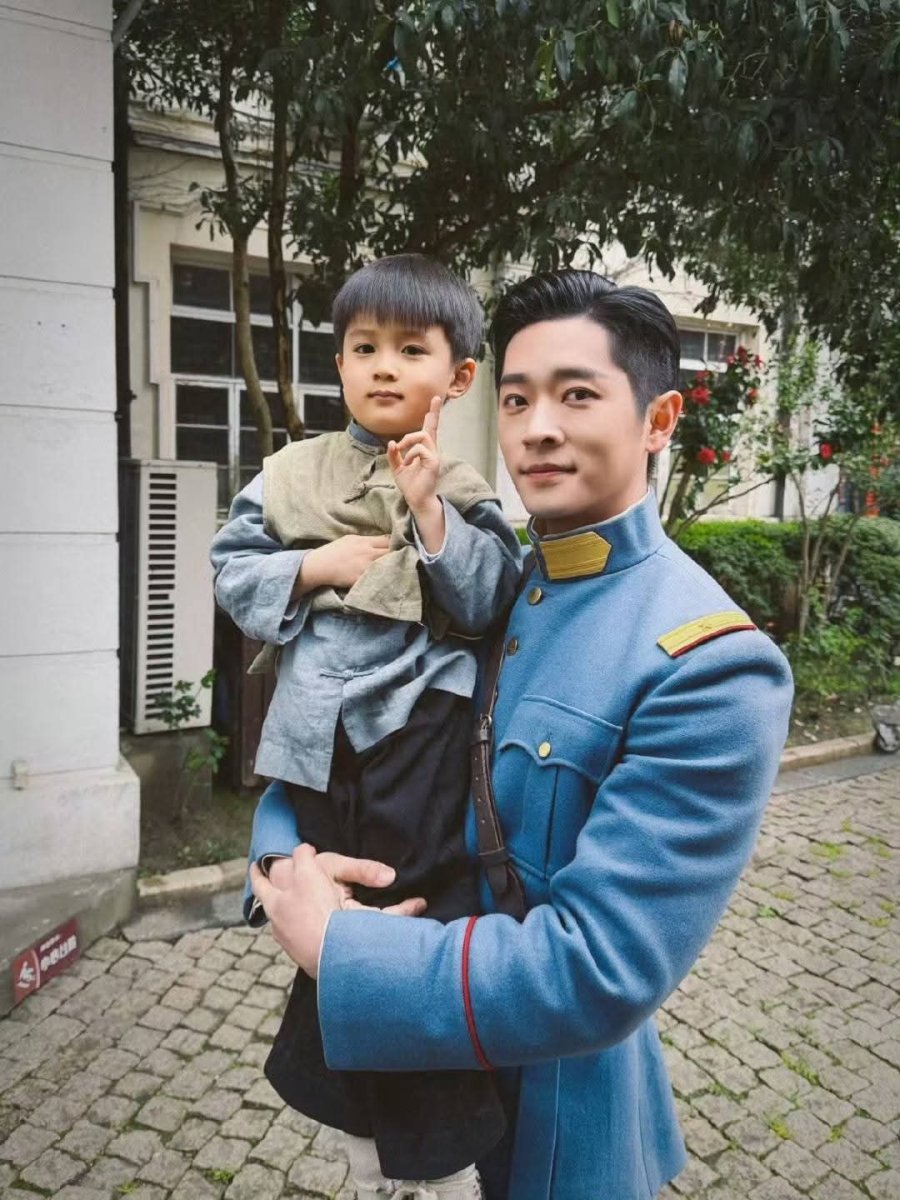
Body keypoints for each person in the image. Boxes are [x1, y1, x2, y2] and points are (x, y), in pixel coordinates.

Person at [249, 269, 794, 1200]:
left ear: (659, 421)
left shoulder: (710, 666)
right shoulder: (485, 582)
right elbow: (340, 720)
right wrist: (282, 864)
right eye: (516, 399)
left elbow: (598, 968)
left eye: (577, 395)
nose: (538, 427)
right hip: (411, 1088)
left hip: (549, 1125)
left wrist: (342, 952)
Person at [211, 255, 523, 1199]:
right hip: (317, 736)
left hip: (421, 736)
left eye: (411, 349)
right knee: (330, 925)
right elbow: (231, 572)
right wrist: (317, 567)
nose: (384, 365)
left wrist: (428, 509)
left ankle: (442, 1154)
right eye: (364, 347)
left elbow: (492, 600)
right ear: (339, 362)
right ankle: (363, 1147)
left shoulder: (466, 484)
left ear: (458, 376)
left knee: (412, 922)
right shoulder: (289, 474)